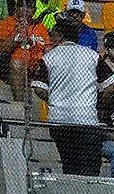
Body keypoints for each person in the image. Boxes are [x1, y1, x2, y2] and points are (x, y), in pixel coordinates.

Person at [33, 16, 101, 176]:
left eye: (53, 35)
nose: (51, 38)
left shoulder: (48, 58)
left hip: (60, 119)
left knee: (69, 166)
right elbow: (110, 85)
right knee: (89, 169)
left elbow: (38, 88)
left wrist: (57, 100)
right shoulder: (92, 56)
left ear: (61, 36)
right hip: (86, 119)